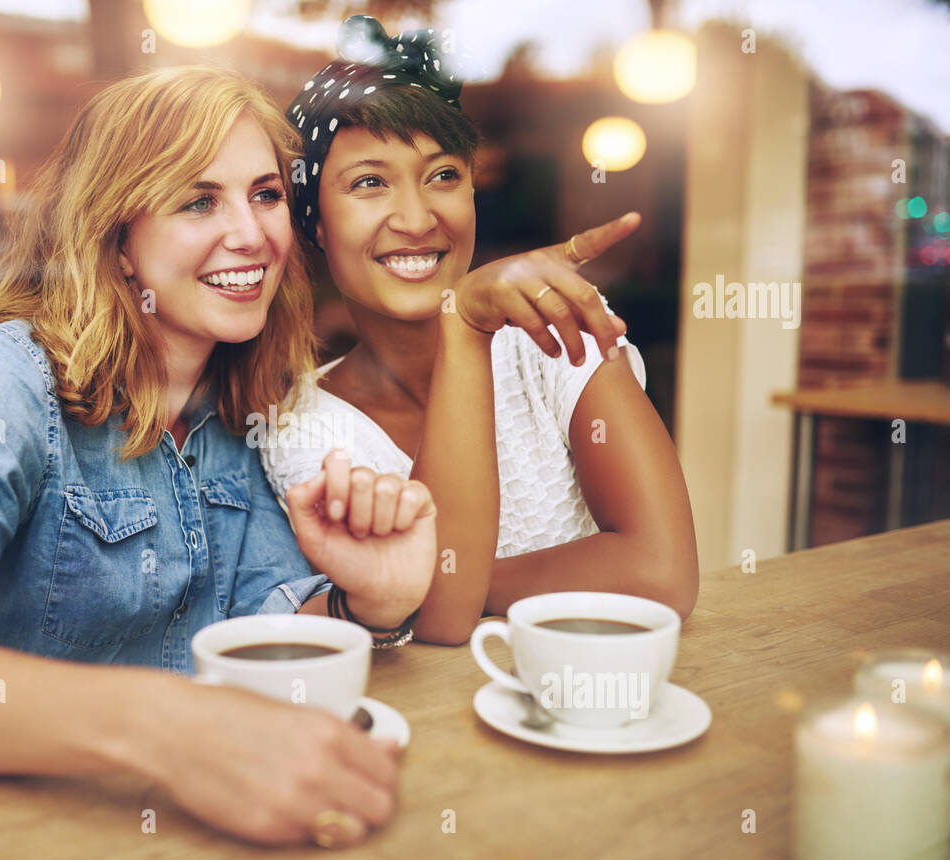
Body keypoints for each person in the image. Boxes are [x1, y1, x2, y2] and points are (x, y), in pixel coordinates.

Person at [0, 66, 440, 849]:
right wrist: (171, 723)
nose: (252, 234)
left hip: (196, 834)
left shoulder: (248, 401)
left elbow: (263, 628)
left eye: (266, 193)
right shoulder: (6, 380)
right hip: (10, 834)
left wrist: (365, 604)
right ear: (117, 243)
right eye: (197, 199)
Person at [260, 16, 699, 645]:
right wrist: (461, 328)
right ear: (316, 226)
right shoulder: (296, 428)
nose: (416, 218)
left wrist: (458, 583)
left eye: (443, 176)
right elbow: (438, 627)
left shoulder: (553, 330)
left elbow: (663, 575)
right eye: (369, 183)